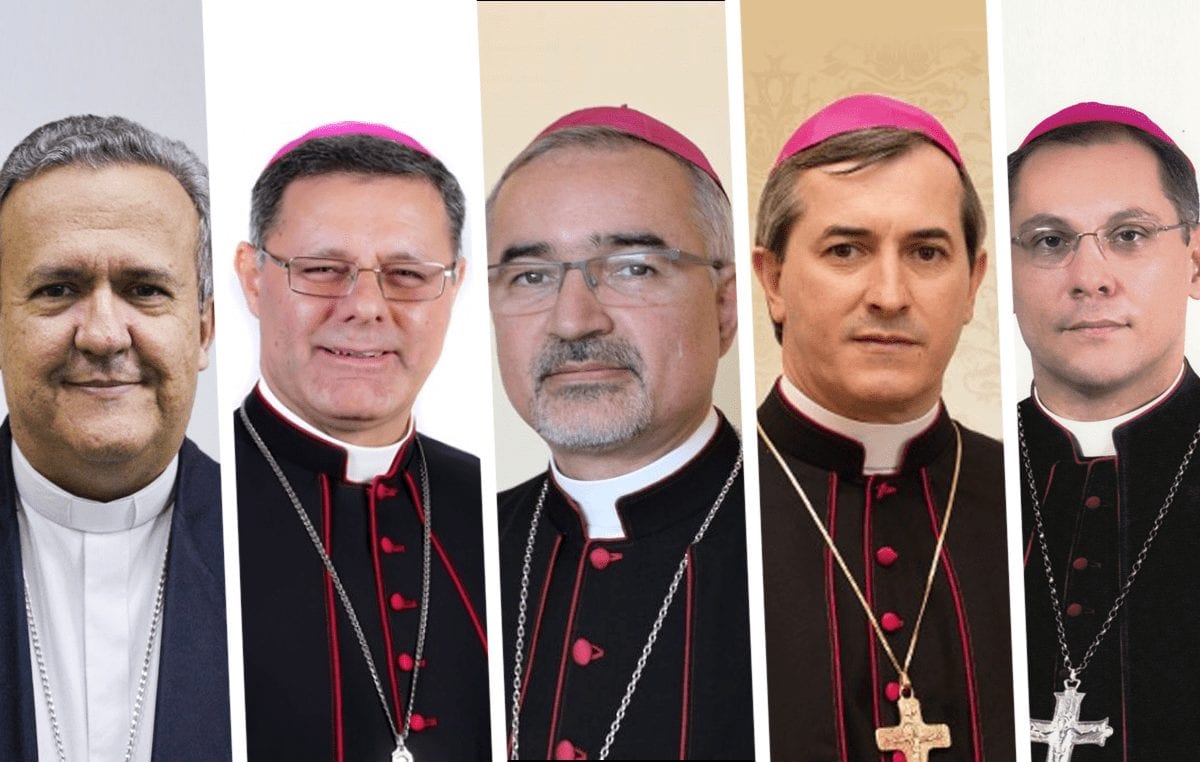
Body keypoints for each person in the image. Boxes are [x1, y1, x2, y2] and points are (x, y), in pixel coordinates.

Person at [752, 94, 1015, 760]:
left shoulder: (1033, 497)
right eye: (846, 250)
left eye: (926, 253)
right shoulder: (708, 501)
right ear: (773, 279)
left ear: (973, 282)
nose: (890, 295)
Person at [487, 105, 751, 760]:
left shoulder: (808, 538)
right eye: (531, 276)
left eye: (633, 267)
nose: (573, 321)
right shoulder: (448, 554)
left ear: (724, 307)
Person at [232, 122, 489, 760]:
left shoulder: (496, 508)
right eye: (323, 270)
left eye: (407, 274)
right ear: (252, 279)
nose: (367, 306)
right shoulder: (191, 508)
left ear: (454, 285)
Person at [0, 115, 227, 760]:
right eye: (58, 289)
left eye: (145, 290)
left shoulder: (287, 547)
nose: (103, 335)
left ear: (203, 330)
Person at [1010, 102, 1200, 759]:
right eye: (1049, 241)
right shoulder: (954, 480)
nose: (1089, 279)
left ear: (1196, 262)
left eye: (1130, 235)